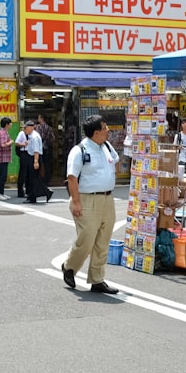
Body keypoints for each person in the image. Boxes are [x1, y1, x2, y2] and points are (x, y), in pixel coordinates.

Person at [61, 114, 120, 294]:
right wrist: (76, 202)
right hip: (87, 199)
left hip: (107, 199)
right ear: (96, 132)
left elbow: (115, 163)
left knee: (103, 240)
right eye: (105, 127)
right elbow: (71, 177)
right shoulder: (79, 150)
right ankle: (69, 266)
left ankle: (97, 279)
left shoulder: (107, 147)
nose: (108, 130)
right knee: (86, 239)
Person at [0, 117, 14, 200]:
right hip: (2, 158)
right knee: (2, 175)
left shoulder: (4, 132)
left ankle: (1, 192)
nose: (11, 125)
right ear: (6, 124)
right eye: (10, 123)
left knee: (3, 175)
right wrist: (10, 142)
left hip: (4, 157)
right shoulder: (2, 133)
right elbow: (3, 145)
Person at [14, 120, 35, 199]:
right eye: (31, 127)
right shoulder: (22, 133)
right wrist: (24, 144)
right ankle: (20, 192)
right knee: (23, 173)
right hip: (24, 154)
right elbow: (16, 143)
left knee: (29, 173)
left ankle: (28, 190)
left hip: (30, 153)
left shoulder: (32, 134)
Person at [36, 114, 55, 183]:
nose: (38, 119)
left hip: (39, 148)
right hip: (47, 148)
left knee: (39, 164)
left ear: (41, 118)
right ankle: (47, 179)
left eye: (38, 118)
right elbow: (53, 139)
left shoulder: (38, 127)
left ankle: (40, 179)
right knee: (47, 164)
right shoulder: (49, 128)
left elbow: (36, 138)